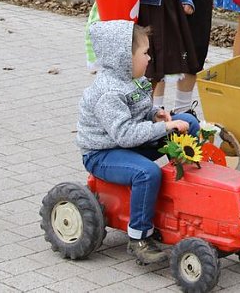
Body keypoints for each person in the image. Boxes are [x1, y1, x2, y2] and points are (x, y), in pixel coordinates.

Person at [77, 20, 199, 264]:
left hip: (129, 142)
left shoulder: (135, 79)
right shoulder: (108, 93)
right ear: (124, 57)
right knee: (147, 173)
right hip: (104, 153)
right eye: (144, 53)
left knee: (189, 122)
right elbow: (125, 134)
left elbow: (140, 108)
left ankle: (184, 184)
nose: (149, 58)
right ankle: (139, 238)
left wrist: (156, 114)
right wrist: (163, 127)